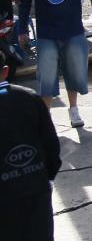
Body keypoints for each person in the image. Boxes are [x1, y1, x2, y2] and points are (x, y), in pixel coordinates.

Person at [0, 56, 62, 240]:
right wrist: (45, 177)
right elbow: (51, 144)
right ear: (5, 71)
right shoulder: (29, 97)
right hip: (36, 188)